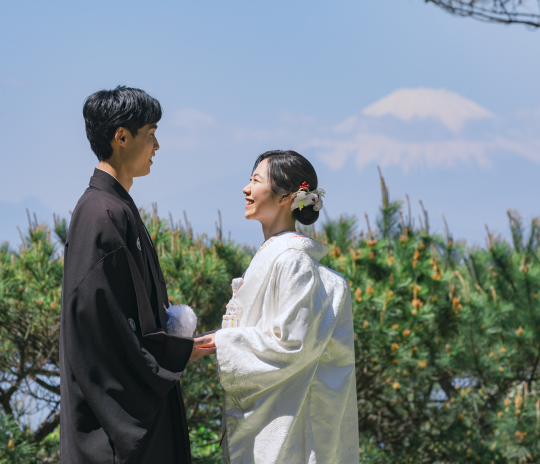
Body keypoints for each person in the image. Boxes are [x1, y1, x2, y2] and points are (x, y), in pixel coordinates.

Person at [59, 86, 215, 464]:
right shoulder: (101, 213)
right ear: (122, 137)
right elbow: (100, 325)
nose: (157, 146)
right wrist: (174, 352)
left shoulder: (114, 207)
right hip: (111, 434)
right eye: (151, 132)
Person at [210, 150, 359, 464]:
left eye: (255, 180)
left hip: (286, 433)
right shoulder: (279, 255)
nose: (245, 189)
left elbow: (290, 346)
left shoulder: (291, 260)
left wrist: (219, 342)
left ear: (286, 197)